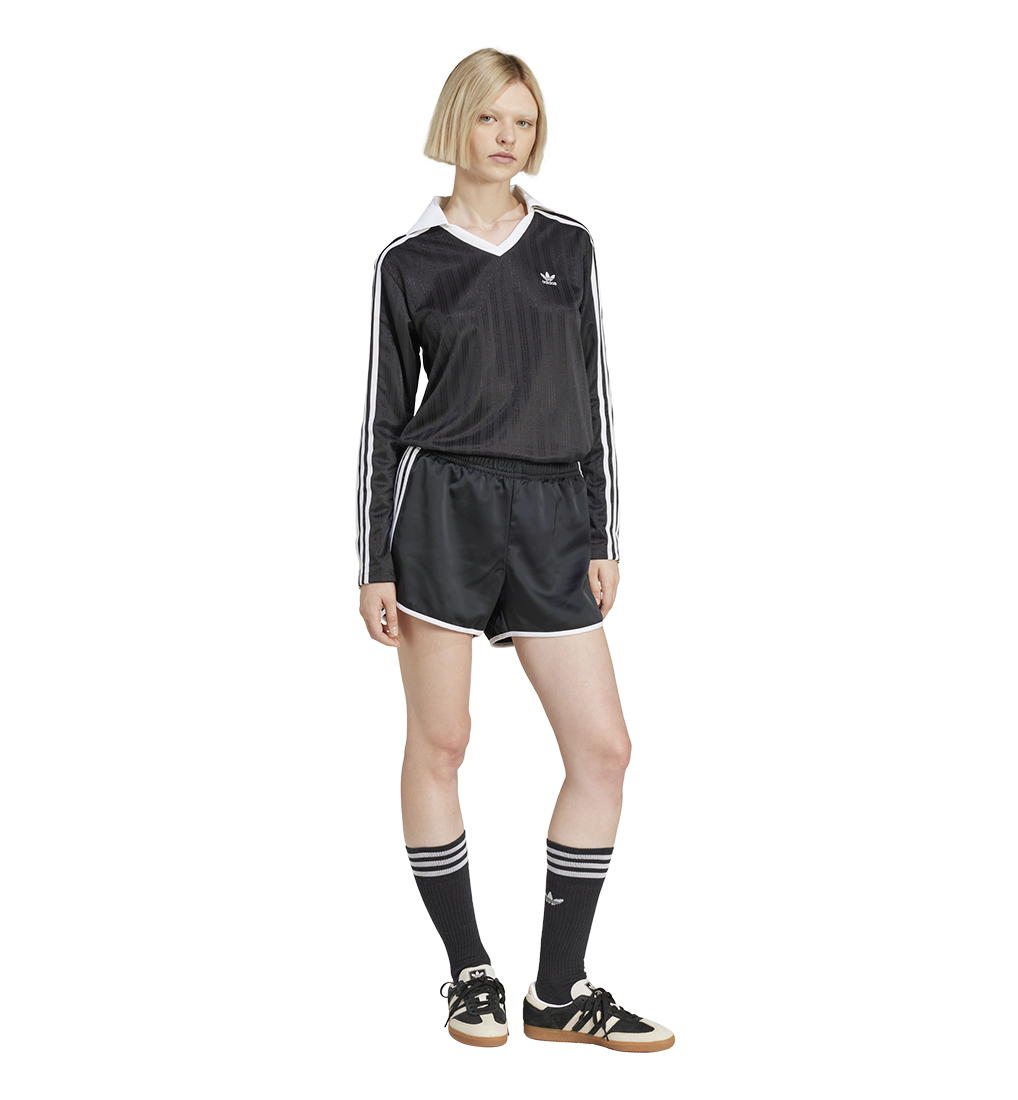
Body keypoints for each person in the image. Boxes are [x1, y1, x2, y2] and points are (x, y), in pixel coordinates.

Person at [357, 47, 674, 1053]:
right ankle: (469, 973)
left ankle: (555, 987)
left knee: (604, 748)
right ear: (456, 123)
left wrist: (602, 530)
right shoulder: (407, 262)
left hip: (552, 518)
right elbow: (381, 421)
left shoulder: (568, 247)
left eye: (524, 122)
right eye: (491, 117)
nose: (508, 137)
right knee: (441, 742)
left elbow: (596, 396)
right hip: (441, 513)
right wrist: (374, 562)